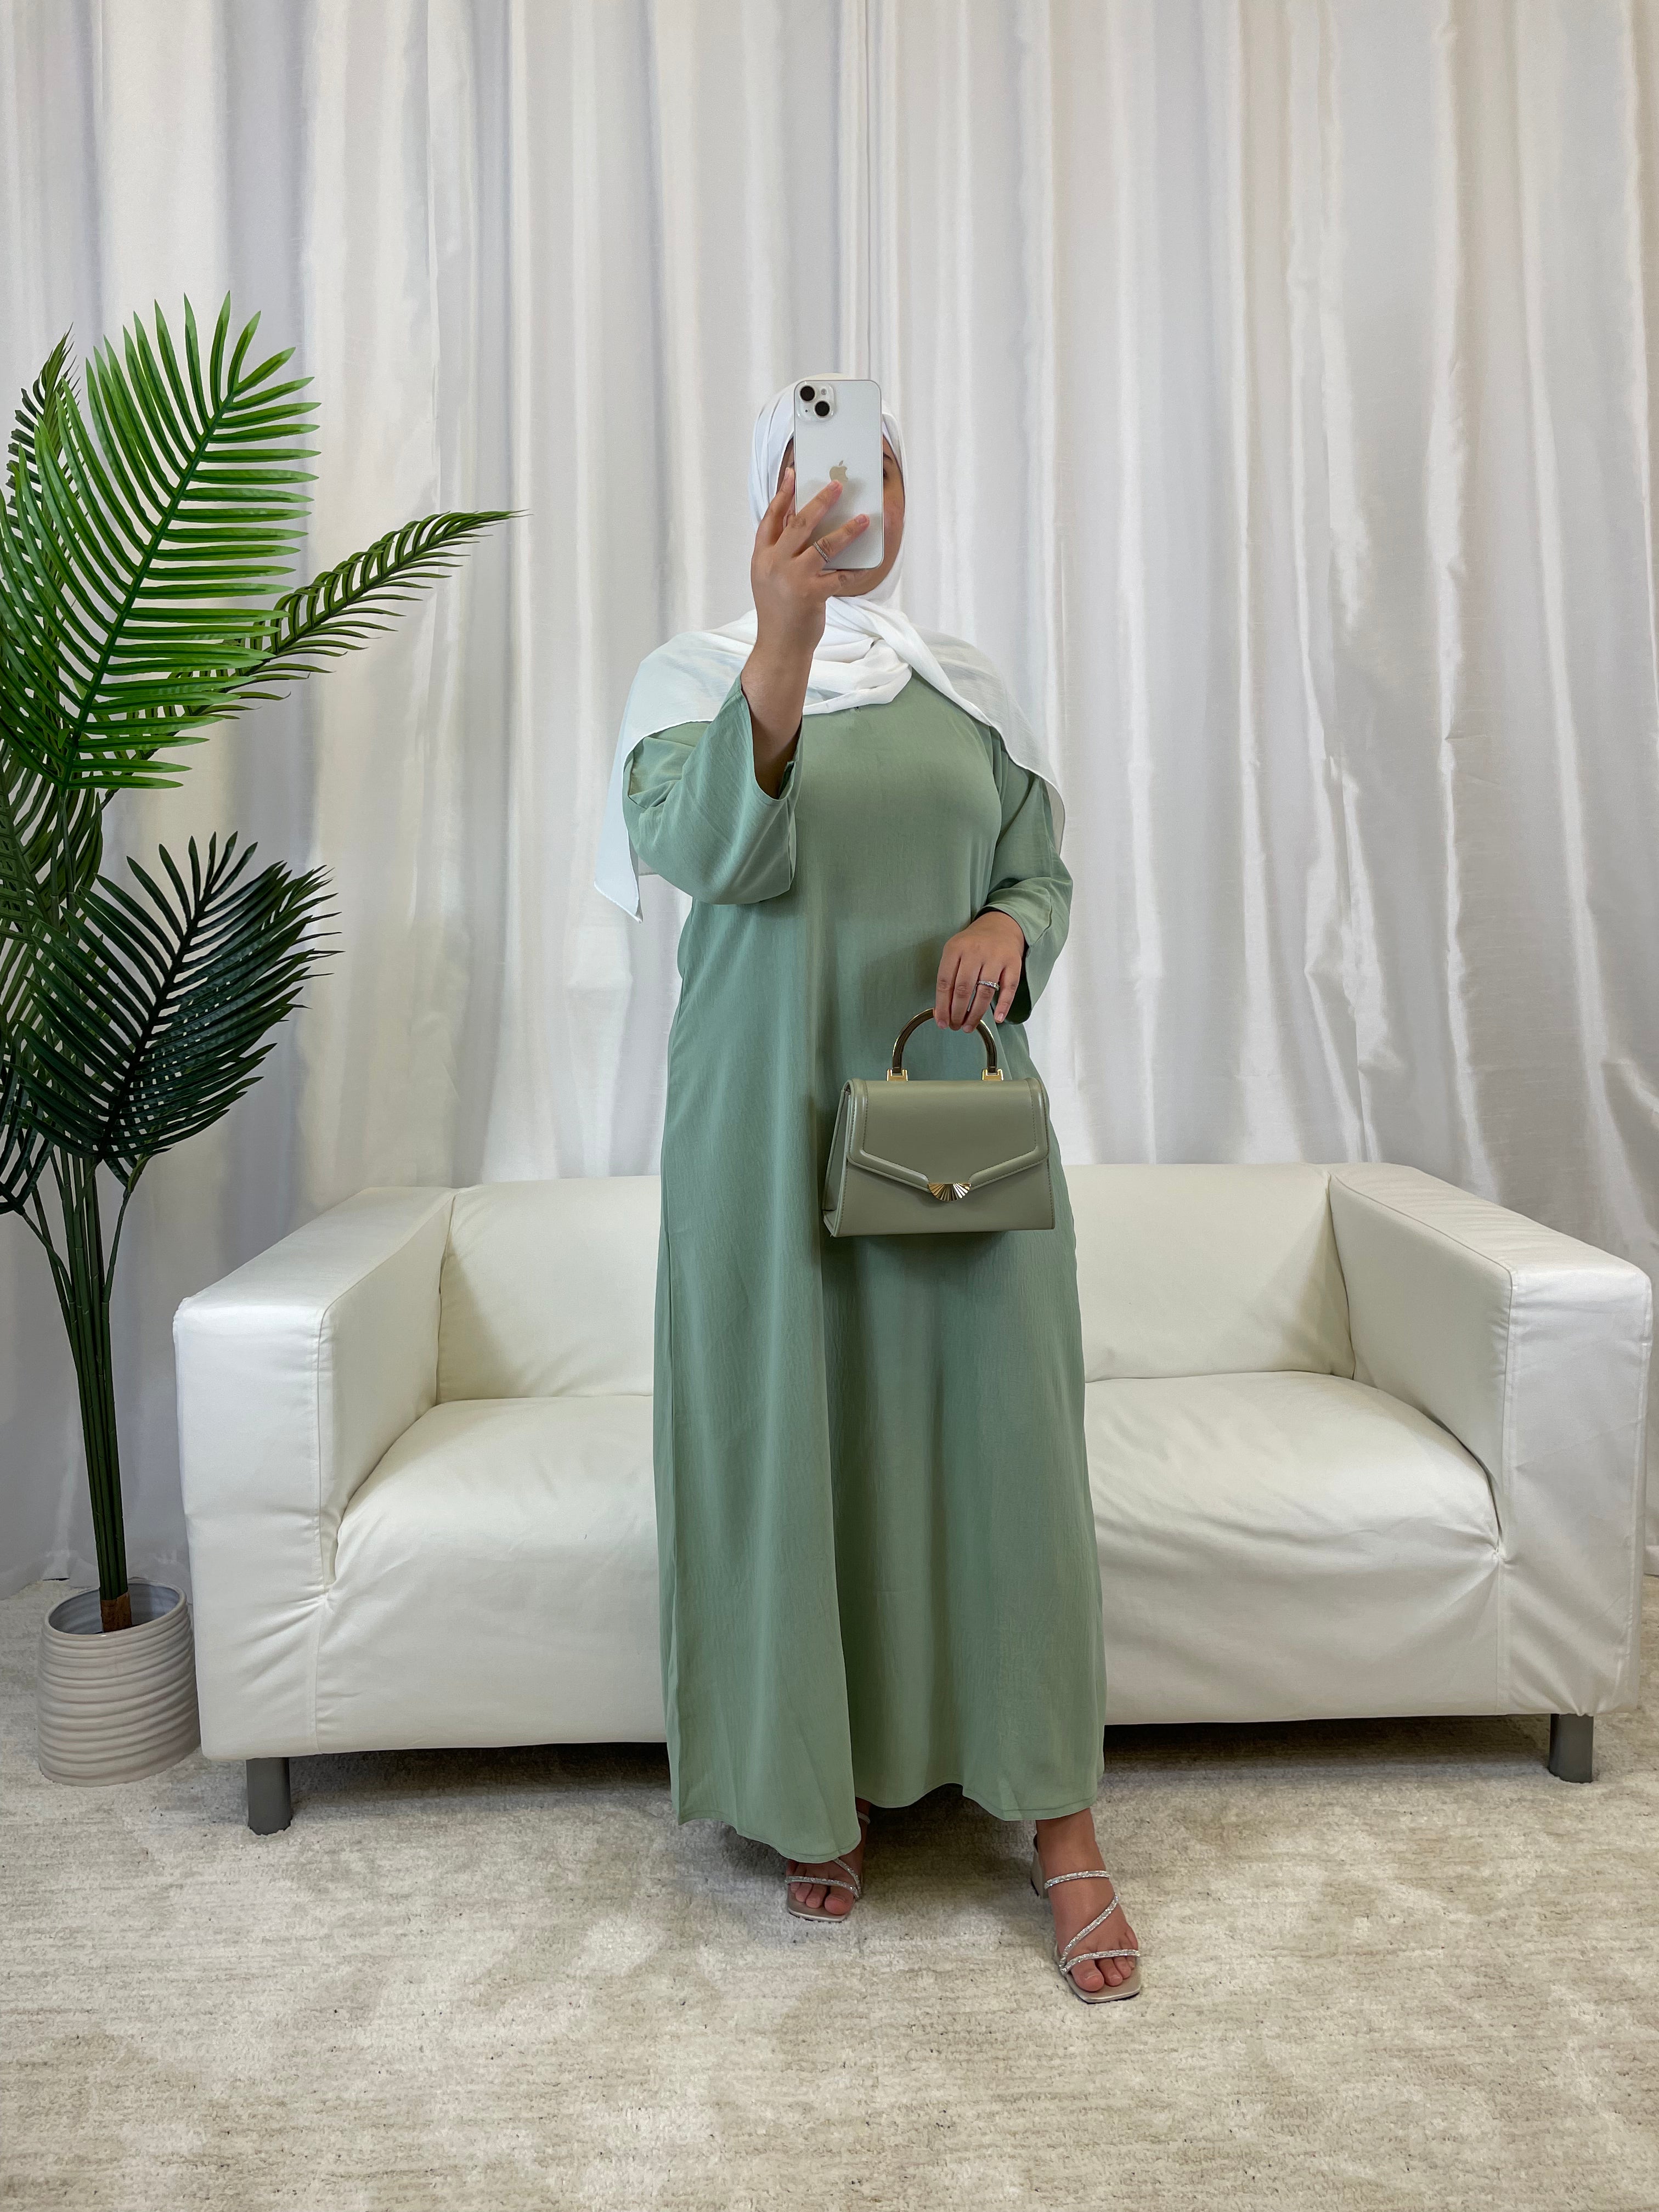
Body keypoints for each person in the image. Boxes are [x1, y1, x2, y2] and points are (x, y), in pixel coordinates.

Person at [594, 386, 1142, 2000]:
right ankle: (809, 1792)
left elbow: (1038, 865)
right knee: (795, 1437)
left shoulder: (962, 686)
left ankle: (1061, 1825)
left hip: (954, 1114)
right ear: (770, 492)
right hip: (763, 1124)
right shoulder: (690, 678)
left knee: (1007, 1447)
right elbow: (715, 855)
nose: (856, 498)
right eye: (820, 469)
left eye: (879, 470)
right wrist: (780, 638)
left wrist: (1013, 930)